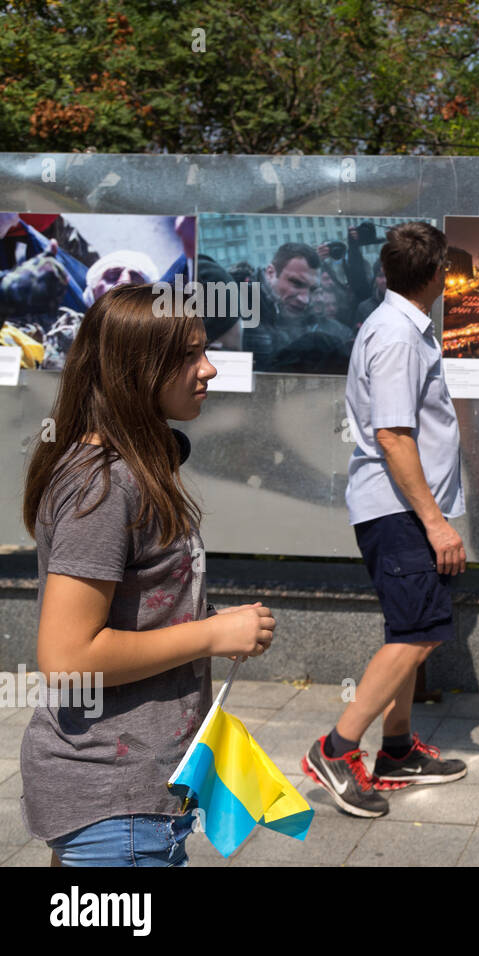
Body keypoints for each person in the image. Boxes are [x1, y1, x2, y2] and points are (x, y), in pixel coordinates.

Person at [19, 283, 277, 866]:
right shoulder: (104, 486)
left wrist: (212, 622)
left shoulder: (127, 469)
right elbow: (67, 658)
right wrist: (212, 635)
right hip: (115, 810)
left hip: (128, 804)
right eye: (188, 355)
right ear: (138, 368)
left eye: (204, 350)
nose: (207, 368)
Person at [303, 221, 467, 818]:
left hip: (404, 508)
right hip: (401, 509)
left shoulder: (398, 325)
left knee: (412, 630)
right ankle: (336, 749)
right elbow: (393, 436)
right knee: (419, 631)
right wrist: (436, 522)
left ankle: (397, 751)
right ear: (437, 274)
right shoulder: (398, 335)